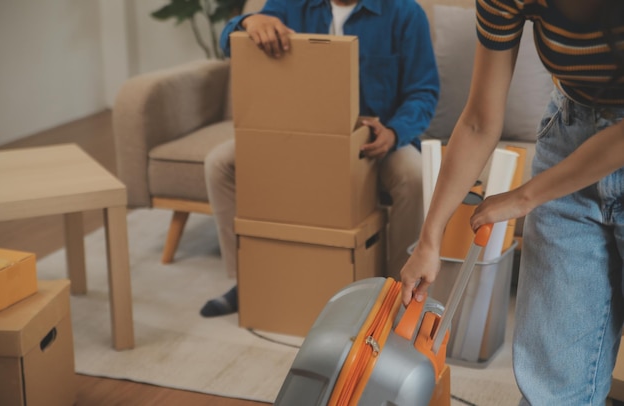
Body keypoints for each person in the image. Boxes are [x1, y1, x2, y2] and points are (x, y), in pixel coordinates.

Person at [400, 0, 624, 404]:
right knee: (554, 381)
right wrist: (430, 238)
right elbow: (478, 120)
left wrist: (525, 197)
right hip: (569, 139)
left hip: (589, 160)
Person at [200, 0, 439, 317]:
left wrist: (395, 132)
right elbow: (229, 43)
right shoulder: (292, 4)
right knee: (220, 163)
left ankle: (397, 293)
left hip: (374, 137)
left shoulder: (405, 13)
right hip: (304, 135)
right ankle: (248, 281)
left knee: (413, 175)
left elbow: (423, 91)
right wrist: (248, 22)